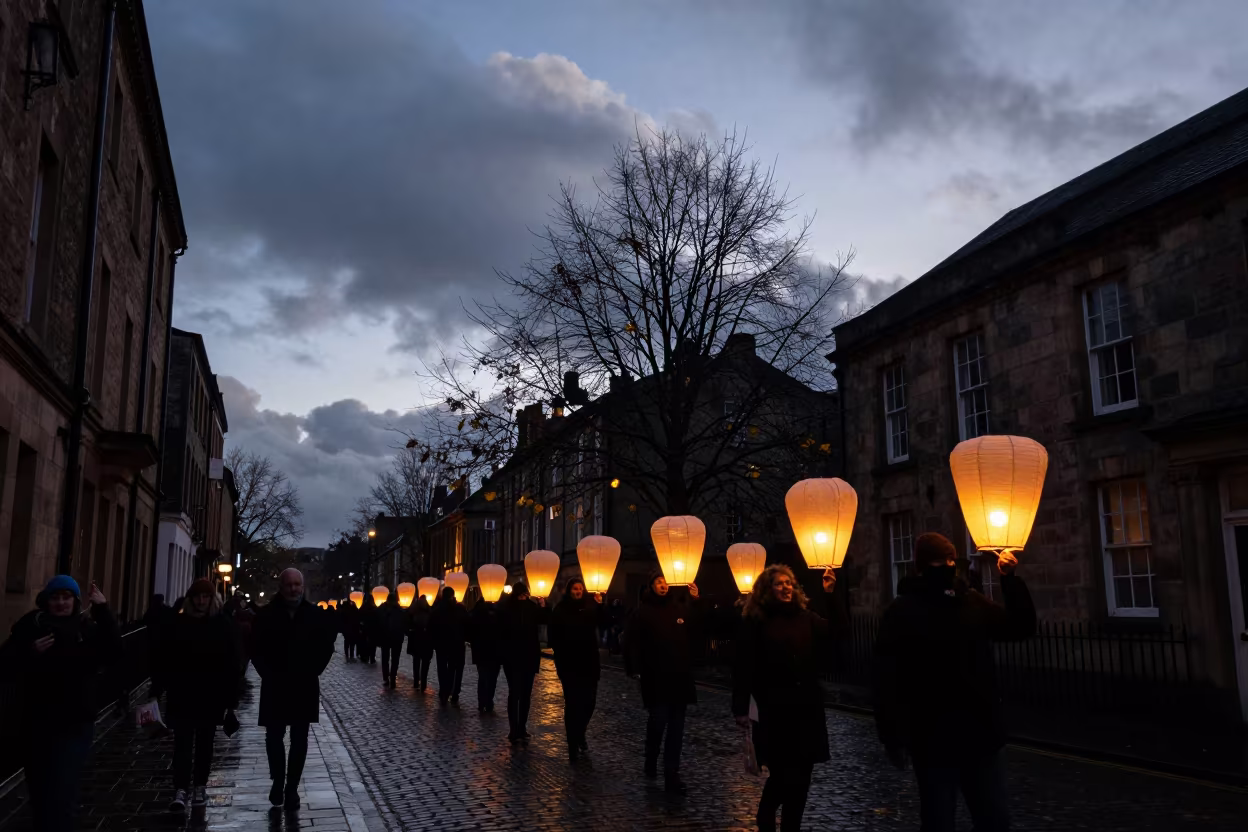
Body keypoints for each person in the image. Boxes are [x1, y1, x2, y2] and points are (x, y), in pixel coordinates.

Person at [873, 532, 1036, 832]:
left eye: (950, 561)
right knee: (939, 821)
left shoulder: (969, 602)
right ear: (921, 567)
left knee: (994, 820)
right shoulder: (903, 612)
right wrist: (892, 736)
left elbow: (1018, 627)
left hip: (979, 734)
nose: (946, 568)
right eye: (940, 562)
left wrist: (1010, 579)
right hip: (933, 737)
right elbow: (887, 678)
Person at [732, 564, 847, 832]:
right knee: (783, 777)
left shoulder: (805, 617)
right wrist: (740, 708)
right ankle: (766, 817)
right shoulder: (756, 622)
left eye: (789, 583)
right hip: (775, 713)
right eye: (780, 584)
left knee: (802, 780)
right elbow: (743, 666)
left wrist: (832, 595)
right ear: (766, 590)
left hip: (806, 711)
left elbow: (839, 633)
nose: (786, 587)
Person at [0, 576, 120, 832]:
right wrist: (30, 652)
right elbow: (6, 663)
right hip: (37, 723)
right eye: (56, 598)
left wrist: (103, 609)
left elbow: (113, 651)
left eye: (66, 598)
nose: (61, 603)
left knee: (63, 792)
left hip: (75, 723)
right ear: (46, 601)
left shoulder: (85, 628)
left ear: (75, 601)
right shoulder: (32, 625)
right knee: (42, 795)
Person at [251, 568, 336, 810]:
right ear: (281, 586)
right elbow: (255, 648)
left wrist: (314, 671)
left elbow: (326, 646)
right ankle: (278, 780)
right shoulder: (267, 615)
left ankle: (292, 788)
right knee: (274, 737)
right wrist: (267, 673)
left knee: (300, 738)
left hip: (303, 685)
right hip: (275, 685)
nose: (293, 589)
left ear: (303, 586)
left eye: (297, 584)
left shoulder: (313, 614)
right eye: (289, 584)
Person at [156, 579, 242, 812]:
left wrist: (230, 700)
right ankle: (181, 788)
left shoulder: (222, 624)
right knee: (182, 743)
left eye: (205, 596)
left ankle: (200, 786)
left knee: (205, 743)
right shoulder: (179, 622)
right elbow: (165, 656)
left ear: (211, 598)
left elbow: (232, 663)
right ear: (191, 598)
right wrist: (160, 687)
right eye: (198, 597)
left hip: (210, 695)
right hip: (183, 693)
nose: (201, 601)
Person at [626, 571, 702, 793]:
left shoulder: (679, 608)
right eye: (658, 582)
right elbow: (632, 641)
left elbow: (698, 626)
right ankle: (651, 757)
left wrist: (696, 600)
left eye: (665, 582)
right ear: (651, 586)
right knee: (658, 721)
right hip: (656, 677)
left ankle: (672, 772)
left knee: (677, 728)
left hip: (679, 677)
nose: (663, 585)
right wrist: (635, 668)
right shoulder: (642, 612)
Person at [548, 577, 605, 762]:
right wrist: (561, 658)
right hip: (569, 665)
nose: (578, 591)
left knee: (589, 703)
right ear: (569, 590)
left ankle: (580, 732)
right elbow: (554, 636)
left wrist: (600, 606)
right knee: (573, 705)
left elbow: (604, 622)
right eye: (575, 588)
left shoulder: (590, 607)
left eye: (580, 588)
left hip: (589, 664)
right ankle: (572, 744)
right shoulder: (561, 610)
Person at [499, 581, 549, 745]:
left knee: (524, 694)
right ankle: (515, 728)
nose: (523, 597)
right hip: (514, 657)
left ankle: (521, 727)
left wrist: (543, 604)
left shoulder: (530, 607)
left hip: (526, 656)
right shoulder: (507, 608)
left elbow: (545, 619)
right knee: (516, 693)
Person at [428, 587, 469, 706]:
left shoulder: (437, 610)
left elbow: (431, 628)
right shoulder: (460, 609)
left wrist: (434, 642)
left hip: (442, 645)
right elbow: (467, 625)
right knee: (452, 668)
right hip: (456, 644)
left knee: (442, 668)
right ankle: (450, 690)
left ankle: (444, 690)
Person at [468, 591, 505, 713]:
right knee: (488, 677)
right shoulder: (495, 611)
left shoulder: (480, 610)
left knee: (486, 677)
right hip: (491, 649)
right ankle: (486, 701)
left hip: (485, 650)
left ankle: (485, 701)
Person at [377, 590, 407, 688]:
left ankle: (391, 677)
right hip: (391, 638)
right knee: (390, 659)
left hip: (392, 638)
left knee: (391, 659)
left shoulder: (386, 609)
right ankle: (388, 677)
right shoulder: (398, 611)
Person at [405, 596, 434, 692]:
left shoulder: (413, 612)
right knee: (425, 663)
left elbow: (408, 625)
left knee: (416, 662)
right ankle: (423, 683)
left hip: (416, 640)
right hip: (427, 641)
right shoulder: (430, 613)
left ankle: (416, 681)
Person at [358, 593, 379, 665]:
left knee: (365, 642)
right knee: (372, 644)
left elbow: (360, 616)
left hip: (366, 627)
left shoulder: (364, 607)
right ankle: (371, 657)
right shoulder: (374, 607)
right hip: (372, 628)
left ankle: (365, 656)